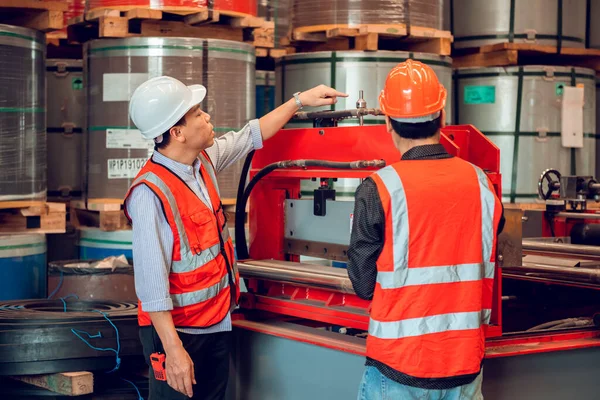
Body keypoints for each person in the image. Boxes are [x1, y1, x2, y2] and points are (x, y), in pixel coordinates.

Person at [124, 76, 347, 400]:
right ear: (177, 132)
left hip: (215, 322)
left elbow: (250, 135)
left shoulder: (201, 163)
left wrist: (300, 100)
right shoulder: (150, 193)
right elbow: (151, 287)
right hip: (178, 336)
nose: (207, 117)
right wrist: (173, 352)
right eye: (198, 113)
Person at [347, 60, 505, 400]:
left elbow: (362, 282)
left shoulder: (379, 189)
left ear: (387, 121)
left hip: (398, 367)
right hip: (464, 367)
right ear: (442, 117)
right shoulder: (481, 183)